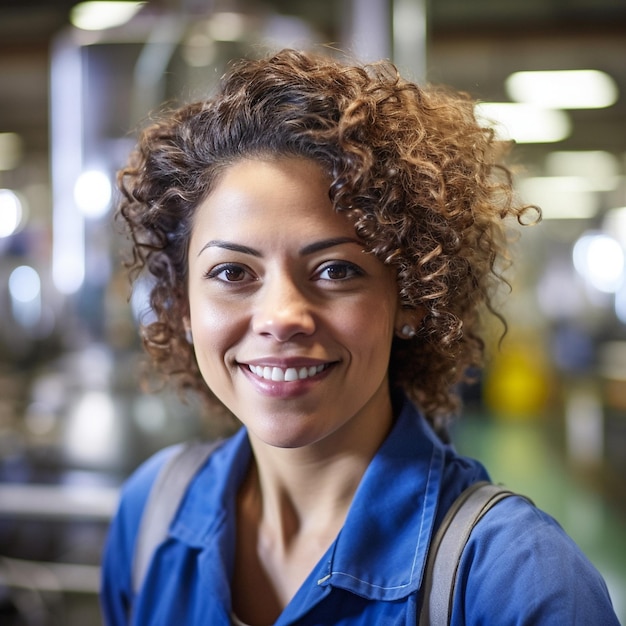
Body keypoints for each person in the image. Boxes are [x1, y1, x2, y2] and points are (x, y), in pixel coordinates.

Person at [101, 48, 620, 625]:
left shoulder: (517, 582)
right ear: (183, 306)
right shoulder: (151, 516)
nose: (282, 316)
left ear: (410, 300)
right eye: (232, 273)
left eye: (336, 270)